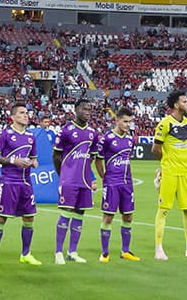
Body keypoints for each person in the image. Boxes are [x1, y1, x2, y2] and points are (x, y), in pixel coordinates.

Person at [152, 90, 187, 260]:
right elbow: (156, 149)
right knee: (164, 210)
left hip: (185, 173)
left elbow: (185, 146)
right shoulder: (164, 124)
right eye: (185, 101)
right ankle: (158, 249)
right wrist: (163, 166)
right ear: (176, 104)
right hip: (170, 173)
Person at [0, 103, 42, 266]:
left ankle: (26, 253)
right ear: (13, 117)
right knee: (1, 217)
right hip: (9, 181)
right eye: (22, 113)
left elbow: (34, 158)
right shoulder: (5, 134)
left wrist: (33, 163)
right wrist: (13, 160)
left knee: (29, 217)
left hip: (26, 182)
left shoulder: (31, 136)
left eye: (27, 112)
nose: (26, 115)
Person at [52, 99, 98, 264]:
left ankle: (72, 251)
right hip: (69, 179)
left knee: (80, 213)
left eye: (90, 109)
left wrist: (85, 172)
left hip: (84, 181)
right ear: (76, 109)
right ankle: (58, 252)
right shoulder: (66, 130)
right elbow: (56, 156)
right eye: (85, 109)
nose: (88, 112)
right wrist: (63, 174)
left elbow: (92, 155)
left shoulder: (93, 133)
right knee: (66, 212)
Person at [93, 107, 139, 262]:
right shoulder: (106, 138)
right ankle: (104, 252)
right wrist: (104, 177)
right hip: (112, 183)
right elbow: (98, 160)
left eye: (130, 122)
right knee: (108, 217)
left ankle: (125, 251)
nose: (128, 125)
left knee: (128, 216)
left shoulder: (129, 139)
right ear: (117, 120)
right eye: (125, 121)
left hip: (127, 183)